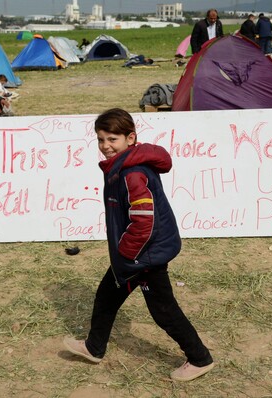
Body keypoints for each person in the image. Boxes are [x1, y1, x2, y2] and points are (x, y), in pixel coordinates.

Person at [62, 108, 215, 382]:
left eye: (112, 139)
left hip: (144, 257)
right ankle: (94, 347)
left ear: (130, 138)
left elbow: (144, 221)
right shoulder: (122, 166)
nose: (106, 146)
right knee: (107, 295)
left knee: (163, 310)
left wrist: (127, 254)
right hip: (137, 256)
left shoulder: (131, 173)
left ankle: (199, 358)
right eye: (100, 140)